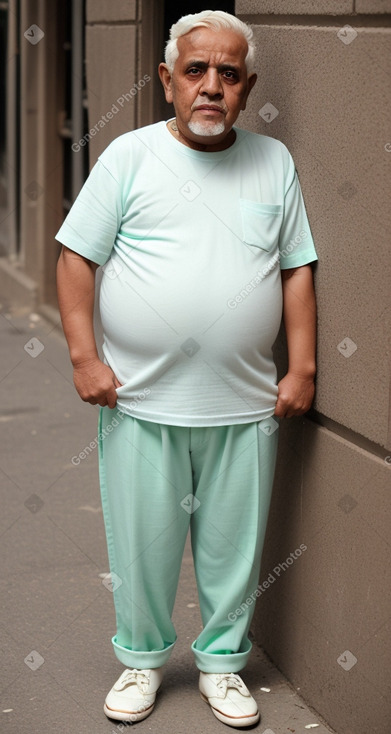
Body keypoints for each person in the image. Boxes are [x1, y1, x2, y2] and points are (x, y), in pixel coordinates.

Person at [56, 9, 317, 729]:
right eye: (196, 71)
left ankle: (222, 667)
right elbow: (76, 257)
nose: (211, 86)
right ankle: (141, 660)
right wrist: (84, 356)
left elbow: (297, 268)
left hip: (245, 403)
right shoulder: (128, 157)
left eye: (227, 74)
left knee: (236, 549)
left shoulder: (273, 161)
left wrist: (302, 368)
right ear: (167, 79)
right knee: (141, 544)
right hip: (140, 399)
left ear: (246, 86)